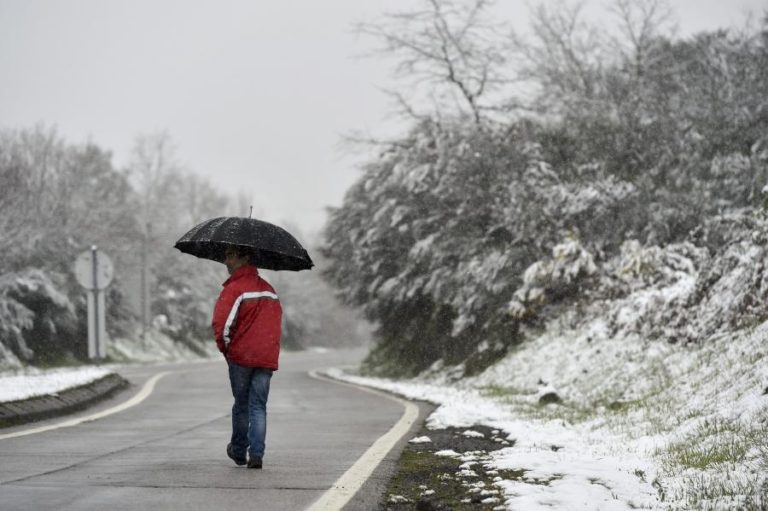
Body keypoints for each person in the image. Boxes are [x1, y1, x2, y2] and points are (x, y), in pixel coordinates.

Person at [212, 245, 282, 469]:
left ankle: (240, 450)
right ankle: (257, 454)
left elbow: (221, 325)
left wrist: (227, 350)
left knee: (241, 404)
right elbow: (275, 325)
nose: (226, 261)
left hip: (242, 357)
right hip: (265, 358)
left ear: (245, 257)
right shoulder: (270, 291)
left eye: (230, 255)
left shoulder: (234, 289)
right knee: (259, 406)